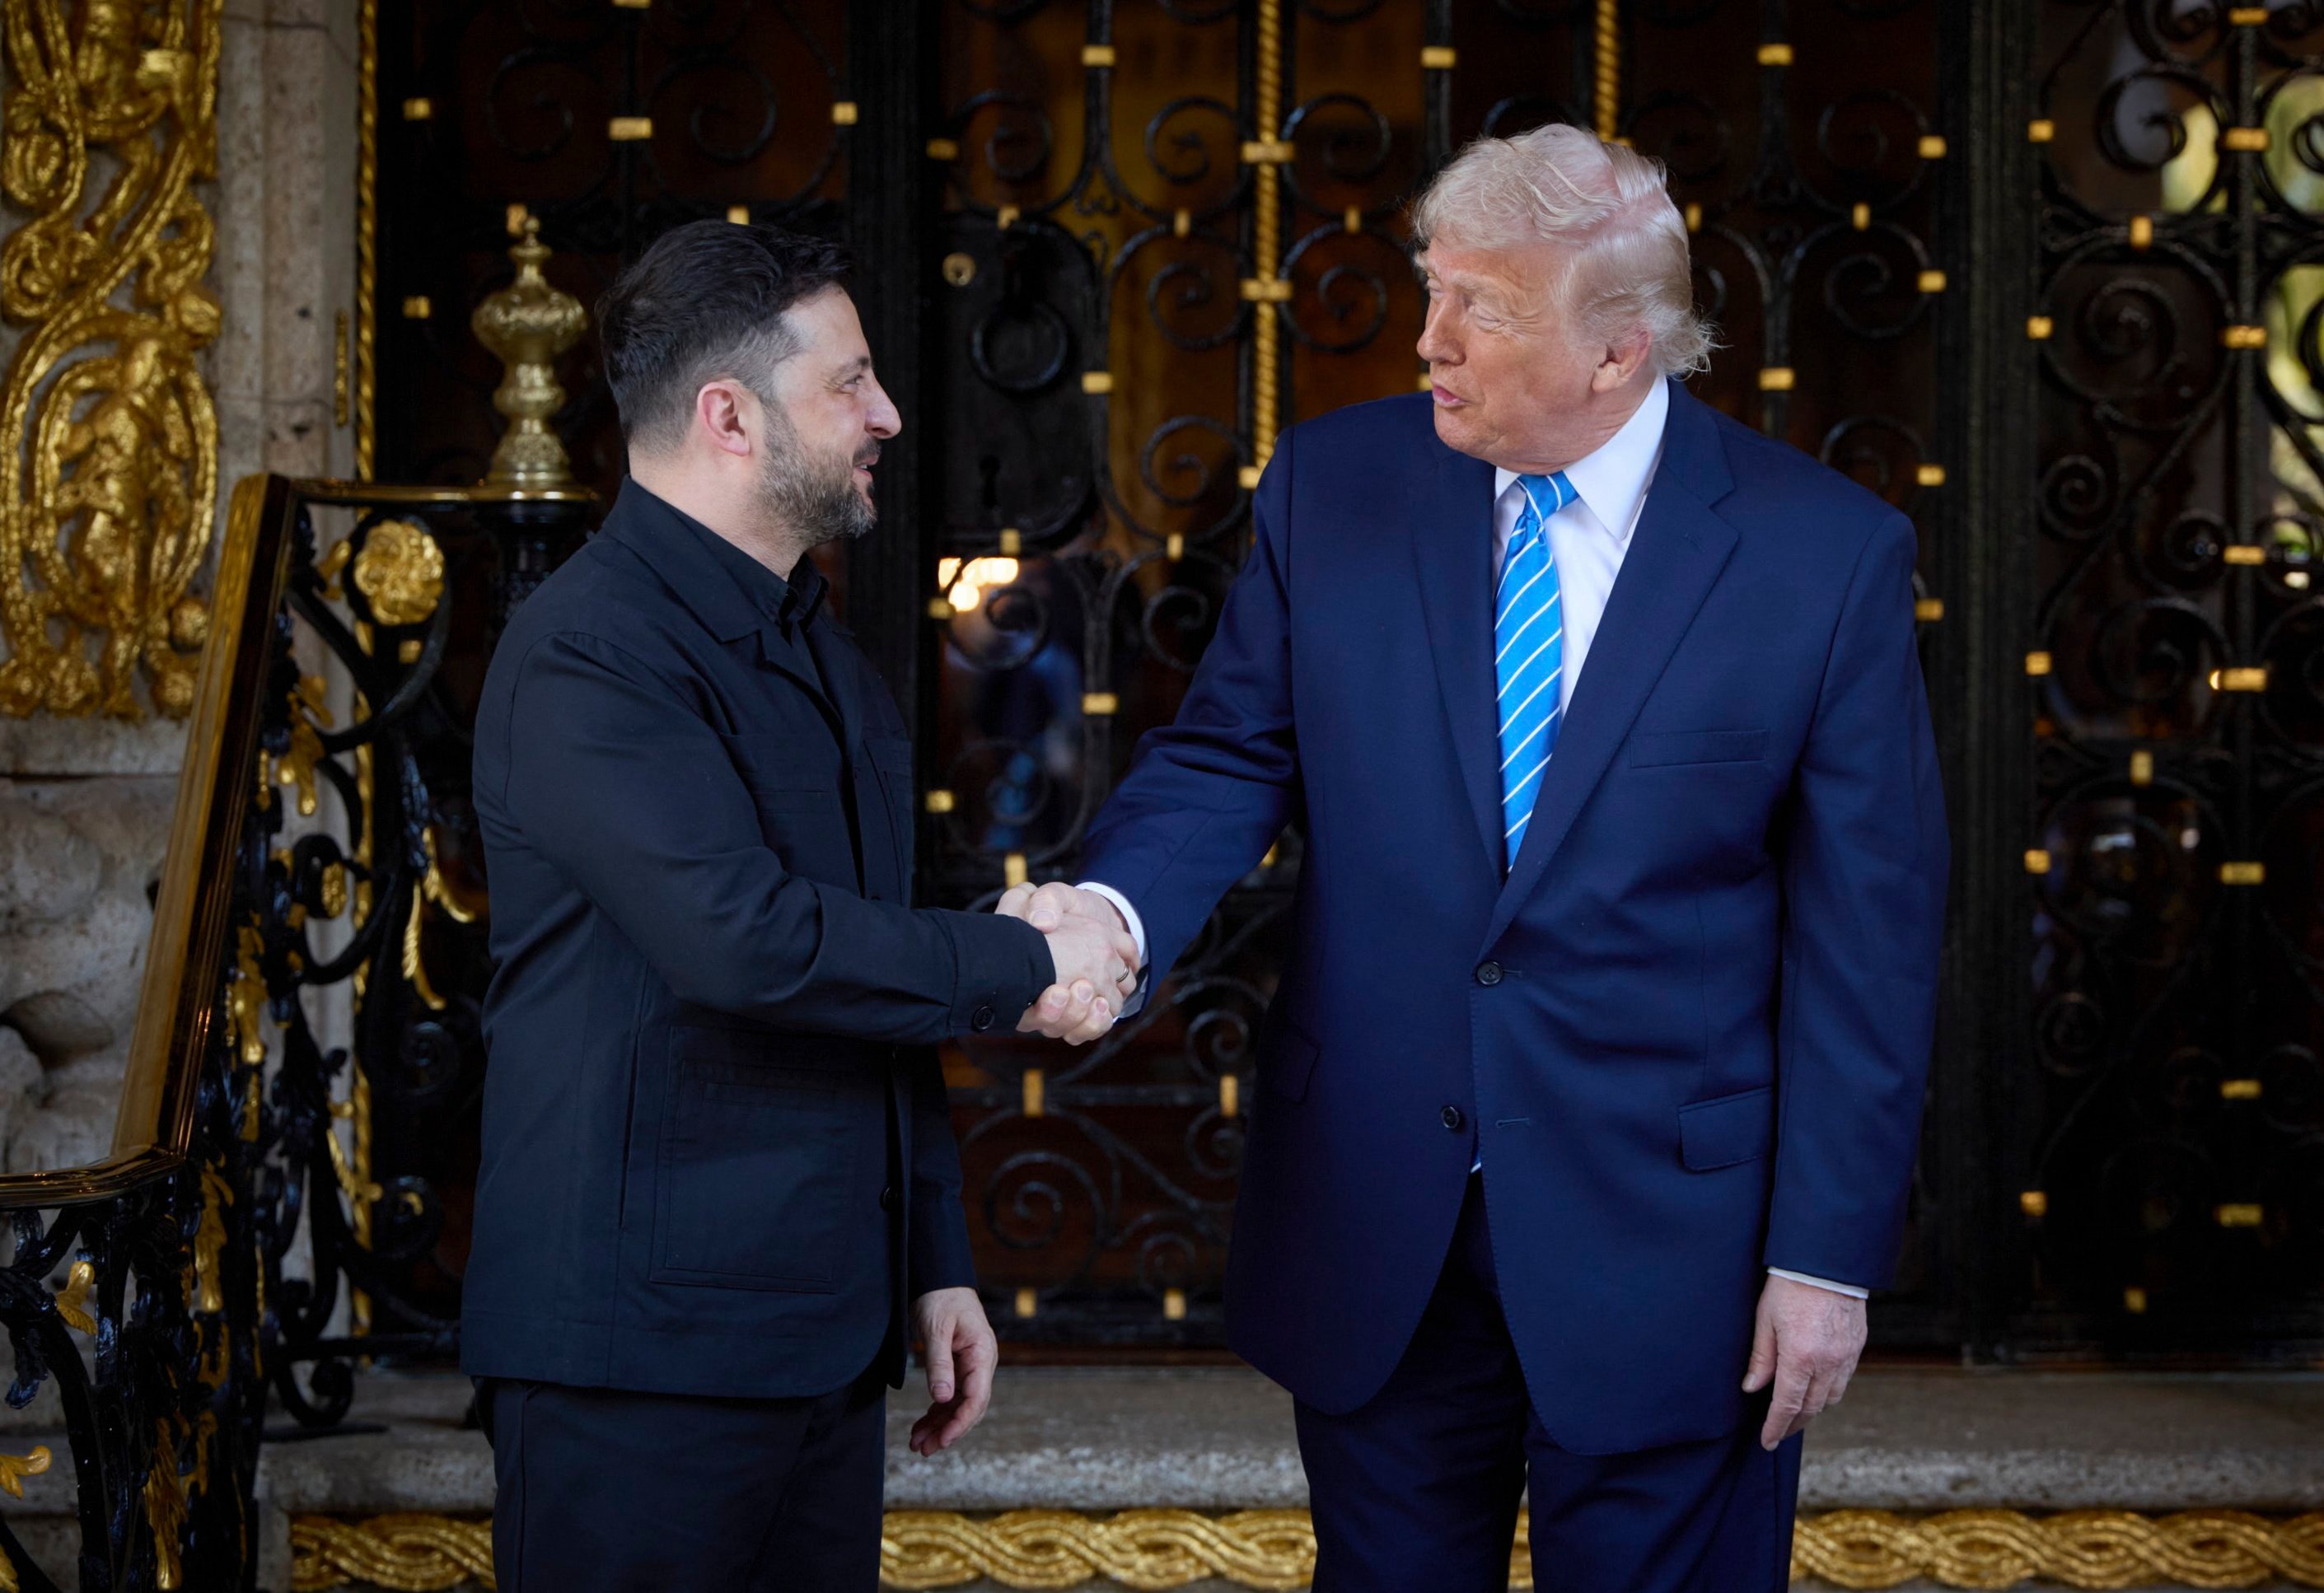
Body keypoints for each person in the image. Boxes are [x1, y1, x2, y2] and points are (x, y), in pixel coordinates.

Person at [1005, 125, 1948, 1591]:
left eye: (1480, 310)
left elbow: (1866, 931)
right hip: (1379, 1216)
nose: (1428, 339)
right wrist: (1113, 917)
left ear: (1620, 351)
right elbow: (1225, 753)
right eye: (1432, 288)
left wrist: (1823, 1257)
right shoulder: (1333, 484)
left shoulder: (1822, 556)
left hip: (1672, 1252)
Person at [462, 220, 1137, 1591]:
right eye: (850, 383)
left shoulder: (816, 648)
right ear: (728, 416)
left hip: (819, 1342)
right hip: (635, 1362)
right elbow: (748, 942)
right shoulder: (587, 652)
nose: (887, 413)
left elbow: (862, 982)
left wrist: (932, 1254)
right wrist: (1023, 957)